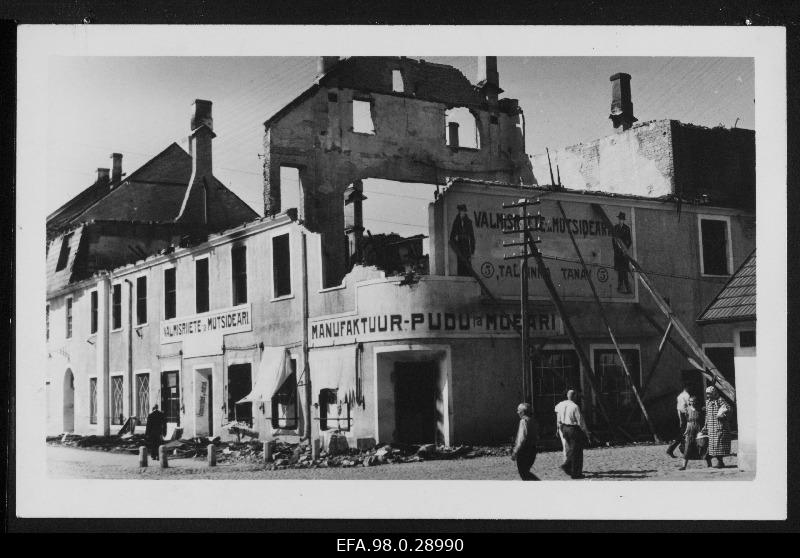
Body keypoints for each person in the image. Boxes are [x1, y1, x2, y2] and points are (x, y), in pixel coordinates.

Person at [554, 390, 590, 479]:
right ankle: (574, 472)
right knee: (577, 451)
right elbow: (580, 421)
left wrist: (558, 428)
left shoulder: (560, 404)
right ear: (575, 396)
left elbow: (558, 417)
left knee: (571, 449)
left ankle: (568, 466)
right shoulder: (575, 406)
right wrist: (586, 432)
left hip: (564, 428)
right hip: (573, 429)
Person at [678, 396, 712, 470]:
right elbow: (687, 420)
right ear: (689, 402)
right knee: (688, 445)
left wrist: (705, 426)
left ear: (696, 402)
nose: (692, 403)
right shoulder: (687, 409)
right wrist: (686, 429)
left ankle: (709, 464)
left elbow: (707, 417)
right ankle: (684, 466)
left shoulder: (701, 409)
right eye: (691, 401)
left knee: (703, 446)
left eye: (694, 401)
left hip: (699, 428)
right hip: (690, 428)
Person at [703, 385, 732, 468]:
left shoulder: (720, 400)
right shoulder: (708, 402)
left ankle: (720, 462)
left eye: (709, 393)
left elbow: (728, 408)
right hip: (711, 427)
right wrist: (705, 425)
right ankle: (715, 461)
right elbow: (707, 415)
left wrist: (723, 415)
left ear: (713, 393)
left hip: (719, 426)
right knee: (712, 445)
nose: (708, 395)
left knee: (719, 444)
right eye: (707, 393)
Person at [511, 402, 540, 481]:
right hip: (532, 450)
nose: (517, 412)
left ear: (523, 412)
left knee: (524, 473)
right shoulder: (533, 421)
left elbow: (521, 439)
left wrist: (515, 451)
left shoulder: (523, 421)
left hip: (524, 451)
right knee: (526, 472)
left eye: (519, 411)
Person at [449, 203, 475, 276]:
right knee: (461, 267)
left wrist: (472, 251)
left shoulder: (469, 222)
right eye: (462, 211)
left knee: (468, 267)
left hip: (467, 247)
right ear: (459, 211)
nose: (463, 213)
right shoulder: (456, 222)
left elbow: (472, 237)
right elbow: (451, 237)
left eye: (464, 211)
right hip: (459, 248)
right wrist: (455, 244)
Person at [666, 383, 691, 458]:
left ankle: (681, 449)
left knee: (683, 434)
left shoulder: (679, 396)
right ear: (687, 387)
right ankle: (674, 449)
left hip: (682, 415)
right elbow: (688, 407)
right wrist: (689, 417)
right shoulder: (687, 396)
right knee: (683, 434)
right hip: (686, 415)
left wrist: (680, 419)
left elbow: (678, 409)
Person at [612, 211, 632, 294]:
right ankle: (620, 287)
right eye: (620, 219)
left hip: (624, 254)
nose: (620, 221)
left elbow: (629, 241)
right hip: (617, 253)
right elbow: (613, 240)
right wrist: (616, 250)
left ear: (623, 220)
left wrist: (625, 249)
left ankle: (627, 288)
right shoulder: (615, 228)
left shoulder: (627, 228)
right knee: (619, 270)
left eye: (622, 219)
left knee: (624, 271)